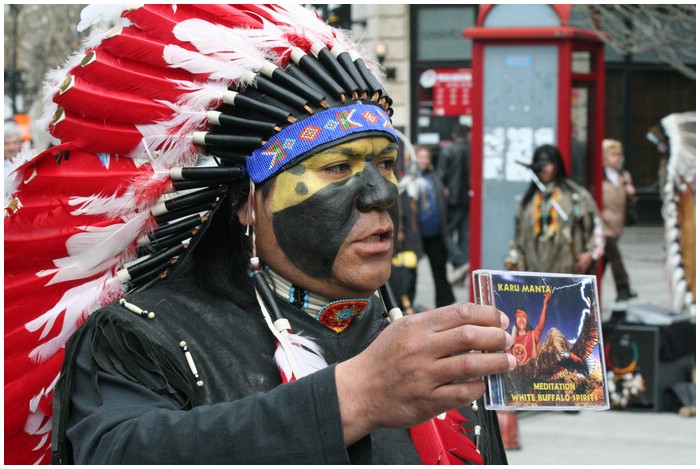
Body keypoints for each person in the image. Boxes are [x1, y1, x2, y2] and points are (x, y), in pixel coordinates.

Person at [4, 5, 514, 465]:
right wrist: (353, 396)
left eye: (385, 162)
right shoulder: (141, 335)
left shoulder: (431, 349)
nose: (380, 193)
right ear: (249, 203)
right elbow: (119, 451)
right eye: (338, 167)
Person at [512, 144, 604, 275]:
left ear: (557, 165)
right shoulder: (528, 200)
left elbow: (597, 228)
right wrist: (516, 257)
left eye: (548, 163)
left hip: (567, 269)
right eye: (539, 164)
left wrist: (589, 254)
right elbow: (519, 234)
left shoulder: (575, 196)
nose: (544, 169)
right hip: (534, 271)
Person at [414, 144, 456, 308]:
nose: (424, 160)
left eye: (426, 157)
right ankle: (406, 303)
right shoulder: (408, 178)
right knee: (409, 272)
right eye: (421, 157)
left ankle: (445, 303)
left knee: (439, 270)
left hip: (436, 233)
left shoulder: (434, 177)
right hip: (416, 234)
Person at [601, 139, 638, 302]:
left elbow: (630, 203)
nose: (616, 158)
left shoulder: (623, 175)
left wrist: (631, 193)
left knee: (604, 260)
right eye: (612, 155)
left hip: (617, 224)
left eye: (618, 155)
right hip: (604, 226)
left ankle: (588, 286)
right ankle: (624, 288)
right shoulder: (599, 176)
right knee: (615, 257)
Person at [437, 124, 472, 285]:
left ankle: (460, 262)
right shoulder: (472, 150)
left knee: (446, 233)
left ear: (454, 134)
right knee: (464, 235)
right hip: (468, 198)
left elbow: (440, 176)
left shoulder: (448, 150)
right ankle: (462, 269)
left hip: (451, 199)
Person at [509, 291, 552, 365]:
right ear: (515, 320)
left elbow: (541, 326)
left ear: (527, 320)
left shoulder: (532, 335)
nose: (521, 319)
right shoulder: (509, 339)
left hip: (531, 375)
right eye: (519, 317)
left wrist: (545, 305)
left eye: (524, 317)